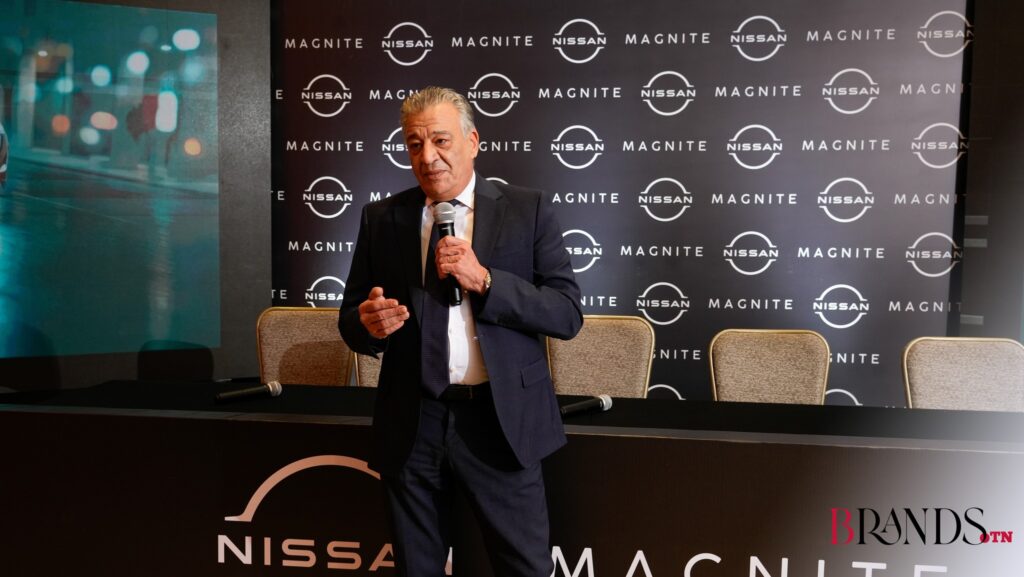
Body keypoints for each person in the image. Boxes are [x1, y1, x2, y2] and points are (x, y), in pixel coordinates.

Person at [338, 86, 583, 577]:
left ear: (472, 142)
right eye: (414, 144)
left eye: (441, 141)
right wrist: (370, 326)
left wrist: (486, 281)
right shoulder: (382, 218)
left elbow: (566, 313)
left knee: (524, 569)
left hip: (500, 422)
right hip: (413, 423)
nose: (428, 157)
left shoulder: (527, 209)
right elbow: (352, 320)